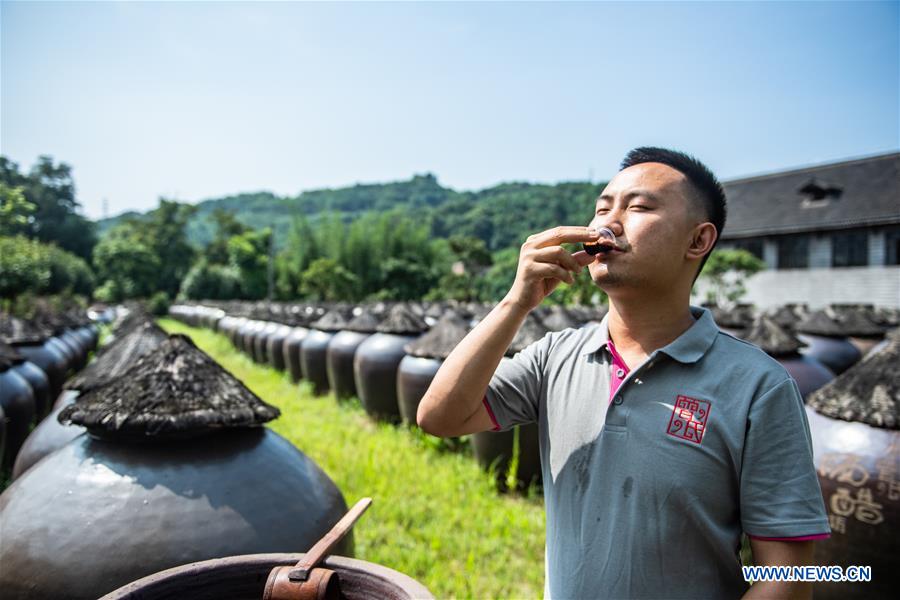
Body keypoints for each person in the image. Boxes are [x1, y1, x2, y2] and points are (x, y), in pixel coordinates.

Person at [417, 147, 830, 599]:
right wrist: (516, 302)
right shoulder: (554, 355)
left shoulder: (758, 386)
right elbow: (440, 418)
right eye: (601, 208)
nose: (606, 224)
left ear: (698, 241)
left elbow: (790, 576)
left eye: (637, 207)